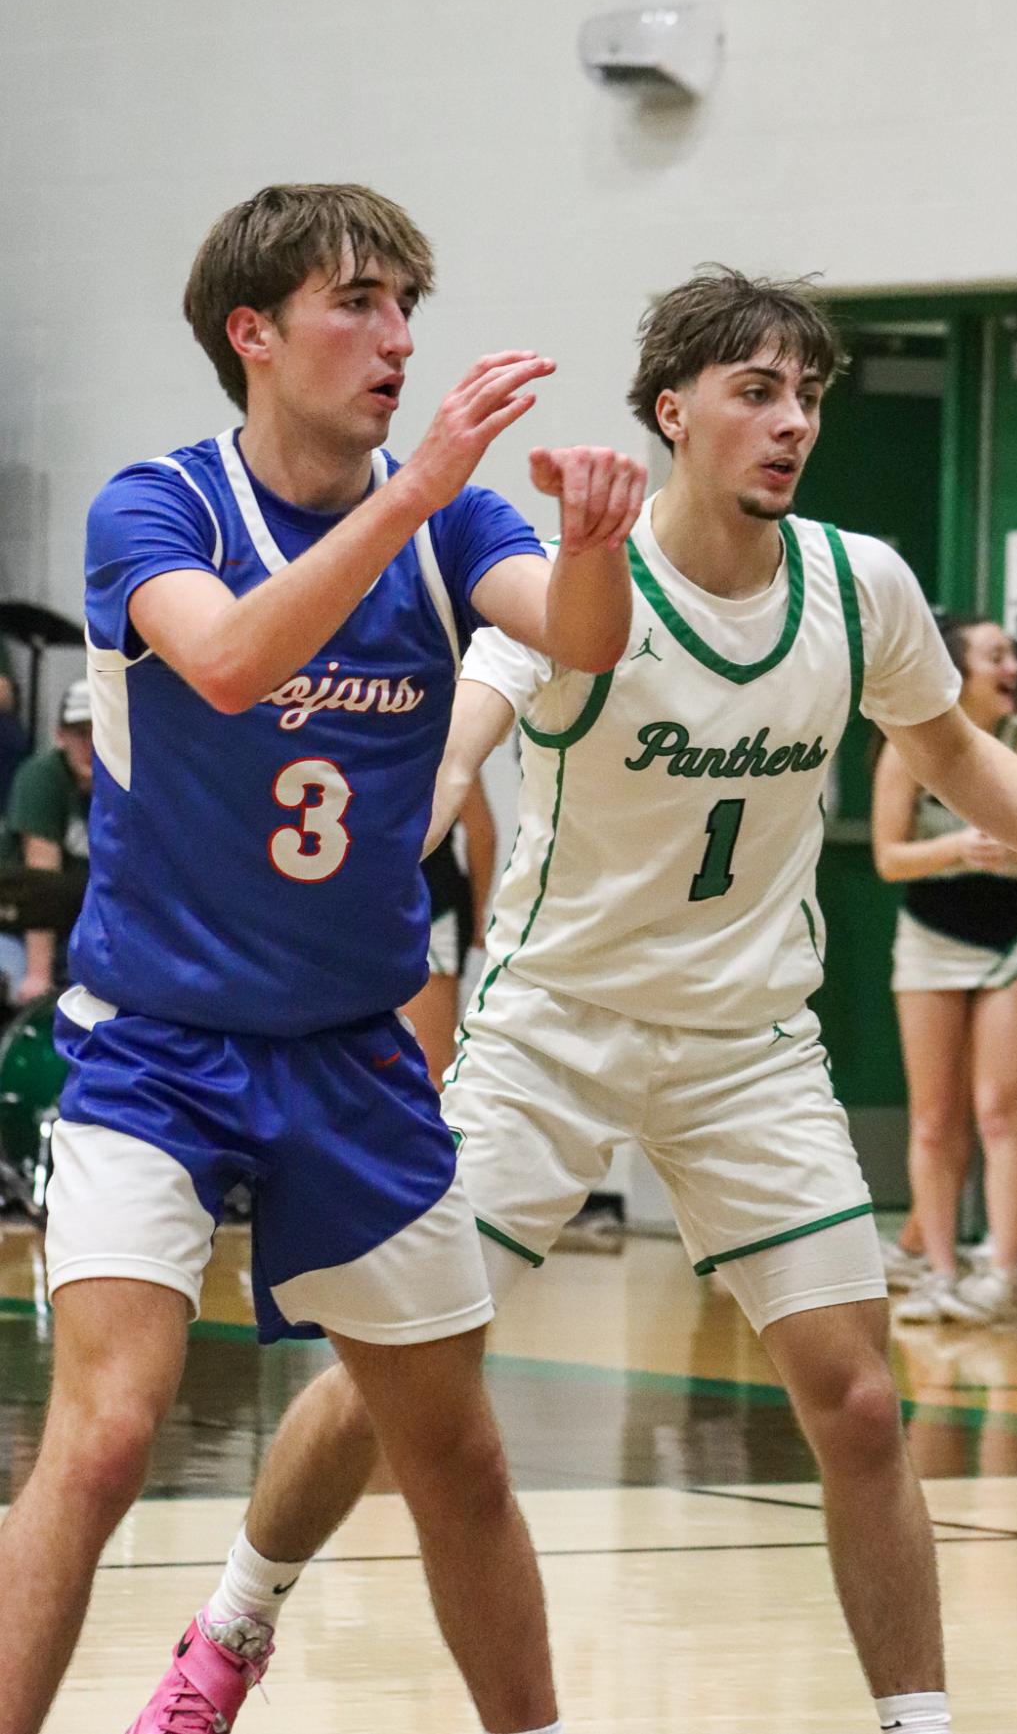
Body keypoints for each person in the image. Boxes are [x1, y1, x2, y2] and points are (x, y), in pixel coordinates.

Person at [126, 267, 1017, 1734]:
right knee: (400, 1377)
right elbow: (469, 725)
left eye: (808, 397)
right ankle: (231, 1628)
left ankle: (920, 1721)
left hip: (746, 1048)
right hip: (551, 1031)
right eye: (756, 392)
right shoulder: (577, 580)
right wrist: (418, 806)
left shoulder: (858, 584)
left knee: (855, 1397)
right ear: (673, 409)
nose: (791, 423)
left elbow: (958, 757)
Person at [0, 181, 646, 1734]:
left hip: (354, 1052)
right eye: (358, 302)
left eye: (407, 305)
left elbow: (580, 638)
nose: (396, 337)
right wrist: (416, 487)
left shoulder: (450, 526)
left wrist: (595, 541)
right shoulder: (155, 504)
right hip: (152, 1043)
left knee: (461, 1456)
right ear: (253, 332)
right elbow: (224, 659)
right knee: (100, 1438)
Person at [872, 617, 1017, 1324]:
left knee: (1002, 1107)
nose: (1012, 664)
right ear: (954, 666)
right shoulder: (906, 741)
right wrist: (957, 847)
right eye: (995, 653)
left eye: (1013, 653)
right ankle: (937, 1269)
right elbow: (888, 858)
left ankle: (1002, 1270)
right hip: (930, 932)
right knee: (933, 1118)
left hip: (1012, 934)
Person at [2, 677, 94, 1007]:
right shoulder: (42, 778)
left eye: (100, 733)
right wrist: (38, 975)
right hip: (17, 927)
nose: (91, 746)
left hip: (82, 933)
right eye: (81, 734)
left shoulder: (128, 786)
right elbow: (42, 890)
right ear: (60, 736)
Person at [406, 780, 496, 1084]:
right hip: (378, 908)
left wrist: (479, 916)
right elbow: (482, 832)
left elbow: (481, 831)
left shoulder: (440, 735)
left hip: (426, 909)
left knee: (429, 1065)